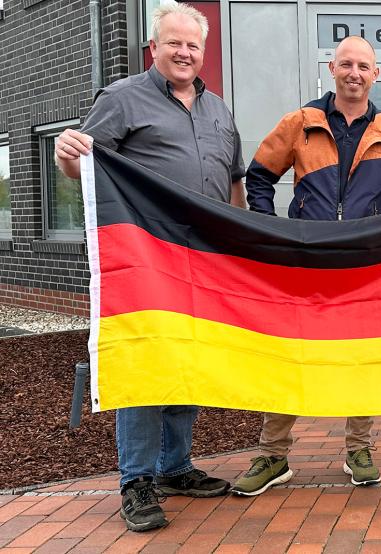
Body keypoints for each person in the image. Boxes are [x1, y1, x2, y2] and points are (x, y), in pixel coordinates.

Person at [54, 2, 243, 532]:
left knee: (186, 363)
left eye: (193, 45)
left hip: (203, 261)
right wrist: (64, 154)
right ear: (153, 47)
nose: (184, 53)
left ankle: (175, 467)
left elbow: (232, 182)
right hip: (145, 262)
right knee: (145, 367)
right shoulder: (121, 99)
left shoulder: (219, 110)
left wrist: (242, 241)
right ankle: (135, 480)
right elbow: (82, 165)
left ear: (203, 53)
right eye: (174, 43)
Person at [231, 36, 381, 495]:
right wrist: (272, 230)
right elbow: (259, 176)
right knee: (290, 356)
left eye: (363, 65)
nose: (354, 73)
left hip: (365, 266)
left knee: (361, 357)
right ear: (331, 68)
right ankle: (272, 455)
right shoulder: (301, 123)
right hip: (306, 262)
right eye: (346, 64)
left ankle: (358, 449)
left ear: (375, 74)